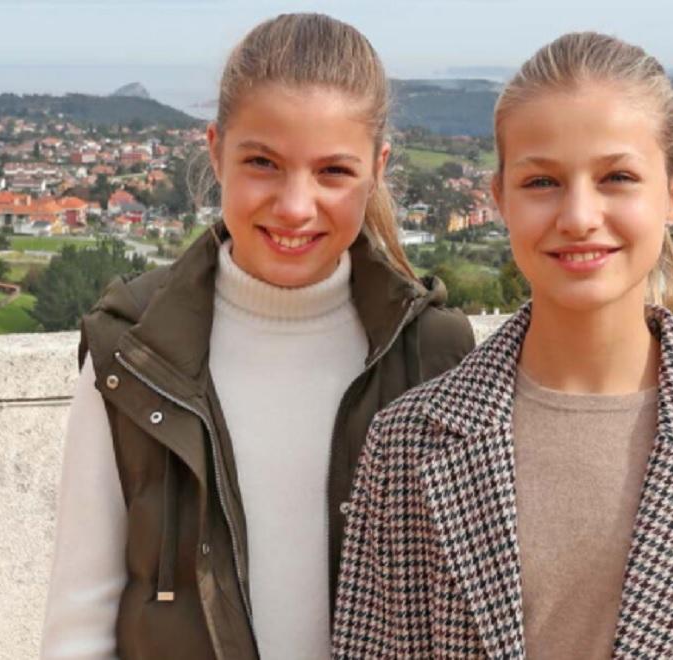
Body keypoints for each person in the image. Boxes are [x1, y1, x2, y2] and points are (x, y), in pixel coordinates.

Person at [333, 32, 673, 658]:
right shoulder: (407, 443)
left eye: (617, 177)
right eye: (542, 181)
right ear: (499, 199)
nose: (578, 215)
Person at [40, 13, 475, 659]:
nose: (296, 206)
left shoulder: (434, 352)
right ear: (216, 150)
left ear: (377, 168)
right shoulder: (132, 348)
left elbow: (465, 609)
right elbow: (81, 615)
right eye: (264, 163)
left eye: (333, 171)